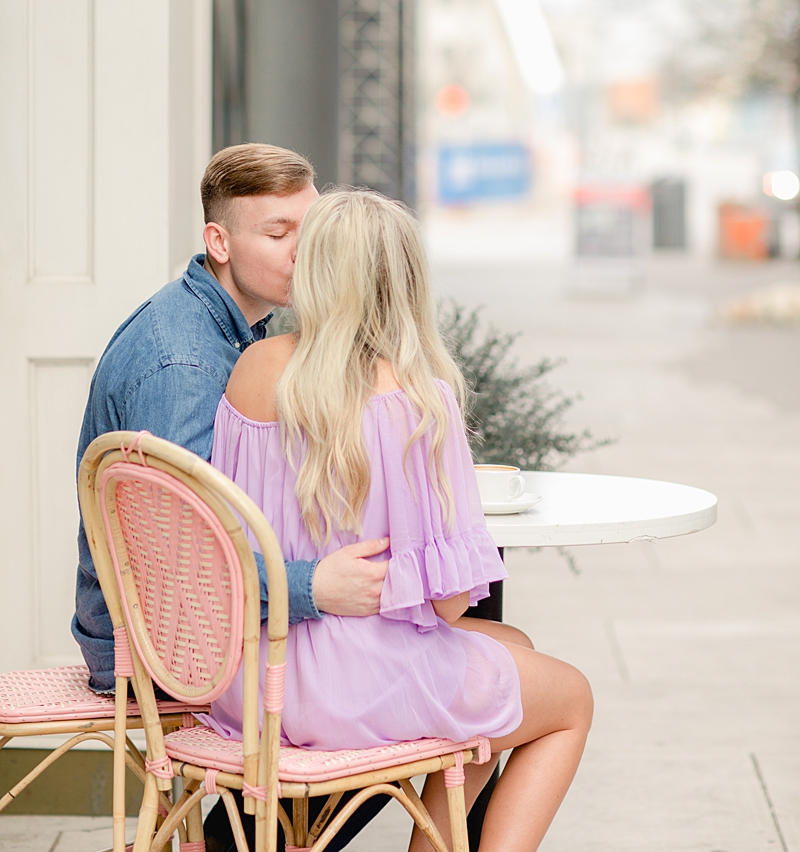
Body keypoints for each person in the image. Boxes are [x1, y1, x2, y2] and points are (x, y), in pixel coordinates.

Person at [209, 189, 594, 852]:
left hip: (251, 682)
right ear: (407, 283)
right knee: (570, 701)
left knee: (505, 666)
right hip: (355, 687)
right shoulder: (416, 401)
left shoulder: (251, 369)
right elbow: (444, 607)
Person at [72, 143, 392, 852]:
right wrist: (315, 587)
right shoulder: (186, 363)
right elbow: (181, 571)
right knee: (410, 665)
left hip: (177, 624)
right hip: (155, 654)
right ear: (218, 242)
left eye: (311, 233)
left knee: (418, 642)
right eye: (278, 234)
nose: (302, 253)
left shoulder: (230, 327)